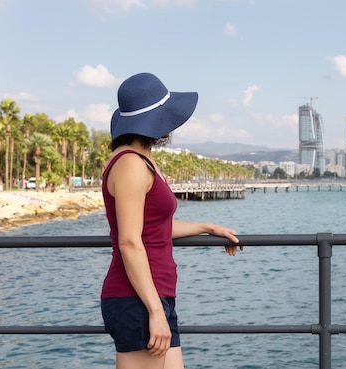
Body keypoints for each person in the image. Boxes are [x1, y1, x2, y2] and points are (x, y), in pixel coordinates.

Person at [101, 72, 242, 369]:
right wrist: (154, 311)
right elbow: (129, 241)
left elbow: (154, 227)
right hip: (137, 298)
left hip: (155, 293)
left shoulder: (142, 158)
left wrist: (208, 228)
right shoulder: (130, 165)